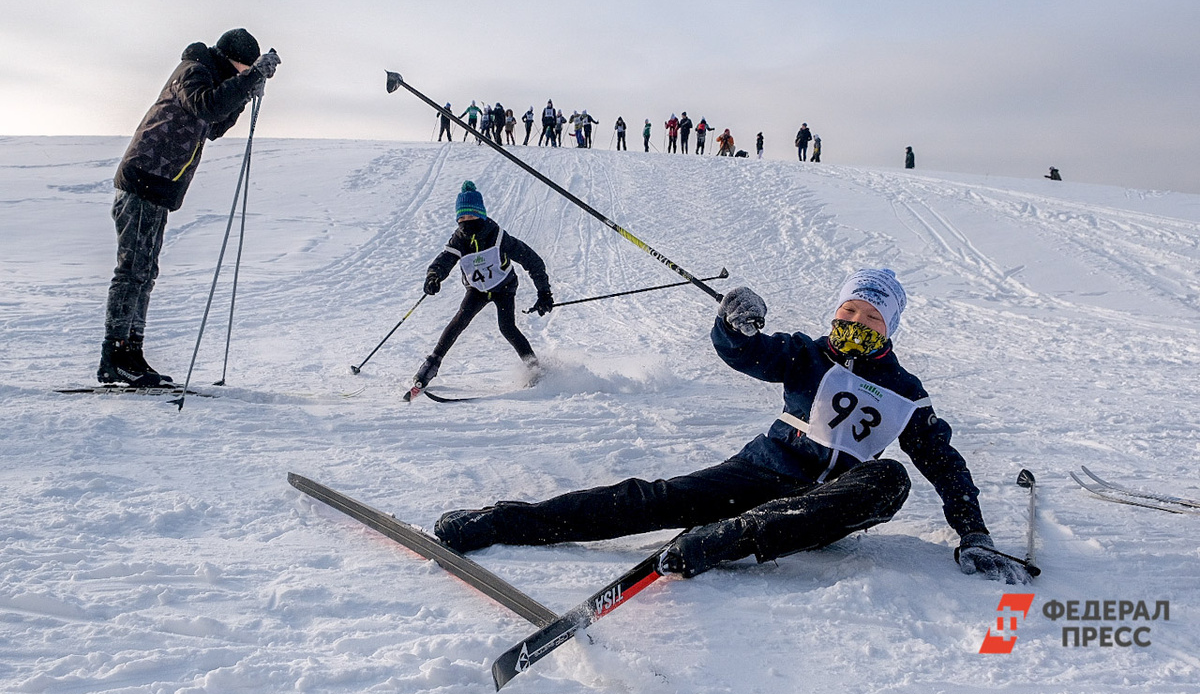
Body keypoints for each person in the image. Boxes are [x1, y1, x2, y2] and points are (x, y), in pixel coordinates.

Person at [433, 269, 1031, 586]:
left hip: (818, 509)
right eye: (848, 310)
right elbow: (748, 354)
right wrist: (734, 326)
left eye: (871, 315)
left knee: (890, 478)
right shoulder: (808, 353)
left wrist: (972, 531)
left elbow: (945, 465)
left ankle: (729, 539)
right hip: (760, 471)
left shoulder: (906, 392)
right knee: (654, 498)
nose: (856, 321)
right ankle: (507, 520)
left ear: (890, 327)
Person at [98, 28, 279, 386]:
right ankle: (114, 354)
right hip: (143, 177)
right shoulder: (194, 70)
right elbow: (207, 105)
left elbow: (215, 125)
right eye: (243, 69)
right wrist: (252, 78)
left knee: (145, 272)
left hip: (160, 184)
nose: (244, 75)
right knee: (132, 271)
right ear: (230, 60)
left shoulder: (213, 78)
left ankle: (132, 353)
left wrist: (246, 92)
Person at [409, 181, 554, 397]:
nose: (466, 222)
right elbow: (444, 260)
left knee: (507, 327)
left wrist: (544, 293)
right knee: (459, 321)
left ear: (481, 215)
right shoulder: (459, 239)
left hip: (504, 286)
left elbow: (532, 260)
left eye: (471, 216)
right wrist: (434, 276)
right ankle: (430, 366)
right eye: (462, 218)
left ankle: (535, 369)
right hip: (477, 289)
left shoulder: (497, 236)